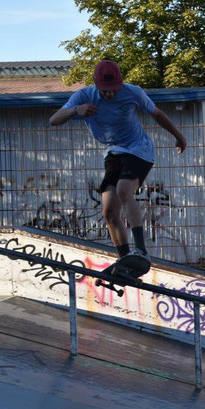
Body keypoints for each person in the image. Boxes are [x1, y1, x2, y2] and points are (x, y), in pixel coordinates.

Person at [50, 59, 186, 262]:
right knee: (109, 211)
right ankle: (126, 261)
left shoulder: (133, 92)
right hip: (114, 153)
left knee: (124, 190)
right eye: (105, 91)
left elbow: (157, 114)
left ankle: (140, 251)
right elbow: (54, 120)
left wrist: (178, 136)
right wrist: (75, 111)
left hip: (139, 149)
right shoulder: (84, 96)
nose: (110, 94)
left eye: (114, 90)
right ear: (96, 85)